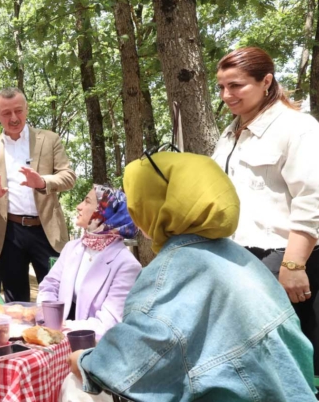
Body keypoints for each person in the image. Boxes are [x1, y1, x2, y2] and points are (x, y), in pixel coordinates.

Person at [69, 151, 315, 401]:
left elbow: (128, 364)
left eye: (137, 200)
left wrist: (83, 362)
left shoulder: (170, 273)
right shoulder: (242, 259)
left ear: (156, 204)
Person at [212, 46, 319, 374]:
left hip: (284, 259)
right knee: (256, 362)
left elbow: (311, 198)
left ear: (266, 82)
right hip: (238, 259)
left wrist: (293, 264)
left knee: (294, 359)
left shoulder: (297, 127)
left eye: (236, 85)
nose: (227, 94)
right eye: (221, 86)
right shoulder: (229, 134)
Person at [0, 88, 76, 302]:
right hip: (9, 233)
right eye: (6, 113)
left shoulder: (49, 139)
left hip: (47, 231)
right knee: (15, 302)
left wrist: (43, 182)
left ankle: (59, 335)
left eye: (18, 110)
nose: (14, 118)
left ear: (27, 109)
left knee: (59, 298)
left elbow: (69, 176)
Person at [36, 184, 140, 340]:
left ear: (103, 213)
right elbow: (50, 284)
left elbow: (108, 323)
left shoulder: (127, 265)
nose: (79, 206)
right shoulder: (72, 248)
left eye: (86, 201)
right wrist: (48, 316)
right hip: (55, 338)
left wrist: (61, 327)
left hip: (93, 349)